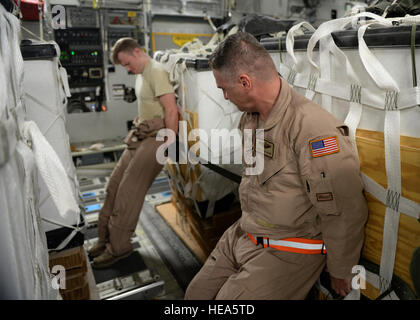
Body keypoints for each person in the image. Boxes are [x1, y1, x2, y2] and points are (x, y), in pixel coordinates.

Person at [184, 32, 368, 299]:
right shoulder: (250, 120)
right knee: (194, 296)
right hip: (245, 233)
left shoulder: (312, 129)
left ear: (245, 82)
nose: (224, 97)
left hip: (287, 248)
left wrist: (341, 269)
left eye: (224, 88)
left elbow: (344, 208)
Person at [88, 38, 178, 268]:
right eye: (124, 66)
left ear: (137, 51)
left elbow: (170, 109)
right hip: (142, 133)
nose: (127, 70)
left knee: (128, 194)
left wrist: (169, 142)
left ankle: (119, 248)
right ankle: (104, 238)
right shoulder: (141, 73)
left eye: (127, 63)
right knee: (114, 186)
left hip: (157, 137)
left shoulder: (155, 71)